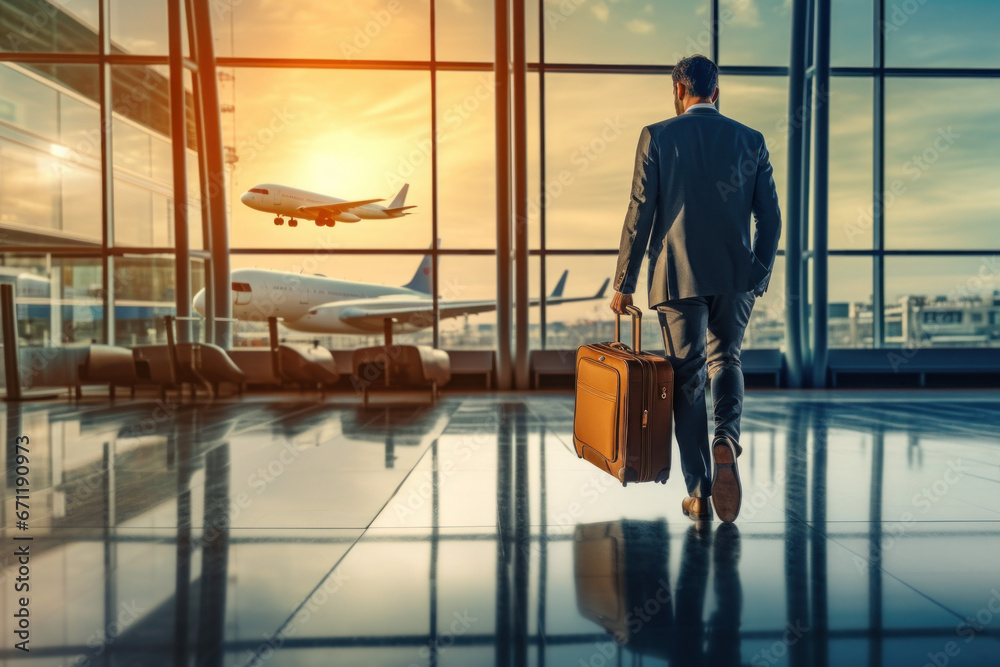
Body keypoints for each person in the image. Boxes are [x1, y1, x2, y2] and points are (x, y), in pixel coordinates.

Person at [610, 54, 782, 522]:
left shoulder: (659, 136)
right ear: (717, 92)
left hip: (677, 275)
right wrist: (759, 272)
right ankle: (726, 437)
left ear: (677, 92)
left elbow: (641, 210)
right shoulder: (751, 140)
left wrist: (624, 282)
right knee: (726, 359)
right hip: (735, 275)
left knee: (686, 378)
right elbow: (770, 217)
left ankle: (700, 493)